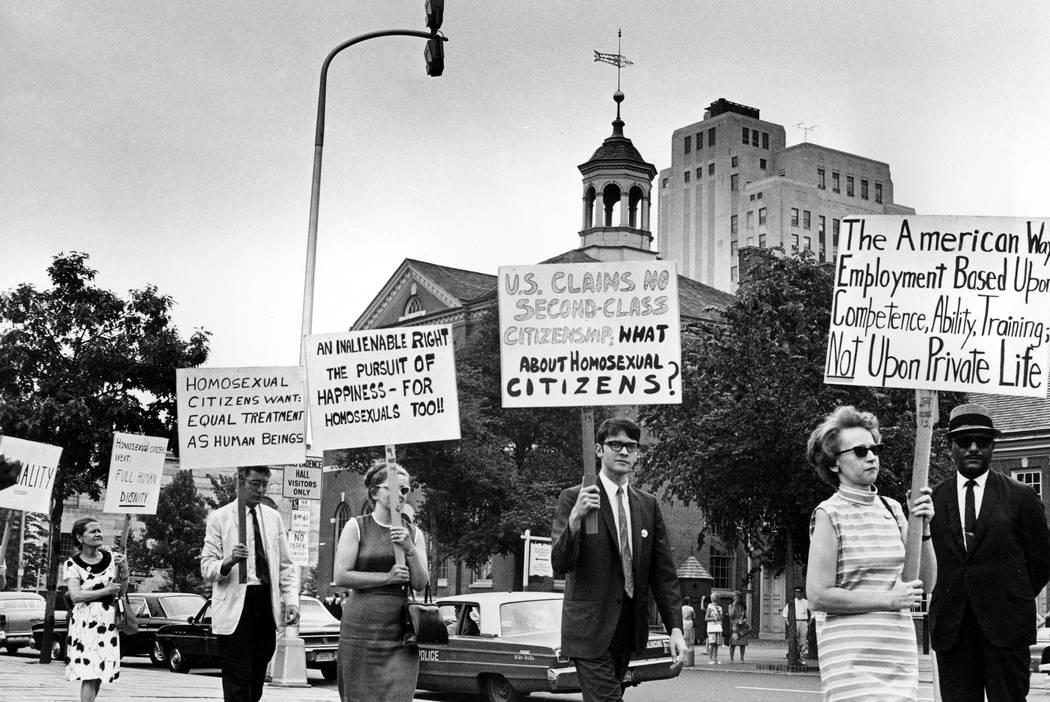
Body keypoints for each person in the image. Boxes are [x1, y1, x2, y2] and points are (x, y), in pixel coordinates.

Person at [551, 416, 686, 701]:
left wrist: (675, 628)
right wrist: (575, 519)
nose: (624, 452)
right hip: (589, 632)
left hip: (627, 631)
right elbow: (560, 564)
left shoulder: (647, 505)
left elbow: (663, 574)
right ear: (599, 450)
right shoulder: (575, 498)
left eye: (631, 447)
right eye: (615, 445)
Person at [806, 405, 935, 701]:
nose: (872, 456)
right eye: (860, 451)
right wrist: (889, 599)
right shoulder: (829, 514)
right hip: (851, 666)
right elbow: (818, 595)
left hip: (898, 661)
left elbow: (926, 584)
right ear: (834, 463)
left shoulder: (893, 509)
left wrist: (925, 530)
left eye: (874, 448)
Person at [928, 403, 1050, 702]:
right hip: (953, 632)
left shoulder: (1020, 496)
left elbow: (1042, 559)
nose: (973, 448)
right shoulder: (932, 499)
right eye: (964, 441)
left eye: (982, 441)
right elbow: (925, 563)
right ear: (950, 448)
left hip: (1006, 631)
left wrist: (1013, 594)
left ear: (992, 446)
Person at [201, 466, 299, 702]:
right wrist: (229, 561)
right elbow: (207, 568)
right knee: (238, 680)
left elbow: (286, 565)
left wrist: (292, 601)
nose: (260, 489)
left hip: (265, 604)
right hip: (236, 607)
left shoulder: (273, 518)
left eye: (265, 484)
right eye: (255, 483)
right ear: (241, 482)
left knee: (256, 680)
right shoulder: (220, 518)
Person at [333, 461, 428, 702]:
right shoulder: (357, 526)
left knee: (397, 695)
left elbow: (420, 582)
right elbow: (342, 576)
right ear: (375, 492)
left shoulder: (413, 533)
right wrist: (386, 578)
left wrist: (409, 550)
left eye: (405, 490)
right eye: (395, 487)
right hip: (361, 628)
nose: (401, 495)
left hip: (400, 632)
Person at [64, 518, 128, 702]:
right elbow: (75, 596)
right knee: (89, 673)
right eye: (92, 531)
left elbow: (121, 591)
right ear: (79, 537)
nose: (98, 534)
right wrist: (105, 590)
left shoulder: (111, 558)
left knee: (100, 671)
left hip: (108, 621)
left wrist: (124, 571)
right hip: (85, 621)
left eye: (99, 530)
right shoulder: (72, 564)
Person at [781, 587, 811, 659]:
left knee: (803, 639)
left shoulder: (806, 602)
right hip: (795, 622)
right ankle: (794, 655)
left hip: (803, 622)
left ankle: (802, 656)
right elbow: (785, 612)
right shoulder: (792, 602)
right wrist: (787, 622)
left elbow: (813, 612)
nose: (797, 594)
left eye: (799, 592)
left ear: (802, 593)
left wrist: (810, 622)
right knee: (794, 639)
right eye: (796, 592)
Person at [728, 592, 750, 662]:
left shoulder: (742, 607)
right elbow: (731, 615)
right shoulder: (730, 606)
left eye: (737, 598)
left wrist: (744, 620)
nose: (736, 599)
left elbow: (745, 616)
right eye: (735, 598)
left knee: (742, 643)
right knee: (733, 643)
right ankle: (731, 658)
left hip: (742, 626)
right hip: (734, 627)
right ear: (733, 599)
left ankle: (742, 658)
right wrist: (734, 606)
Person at [704, 597, 723, 664]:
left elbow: (721, 618)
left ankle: (715, 659)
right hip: (711, 627)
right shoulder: (709, 607)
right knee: (712, 644)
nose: (717, 600)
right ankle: (710, 659)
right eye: (716, 599)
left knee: (716, 644)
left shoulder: (720, 608)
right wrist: (712, 619)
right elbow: (706, 618)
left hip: (718, 627)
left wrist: (719, 616)